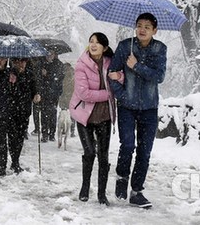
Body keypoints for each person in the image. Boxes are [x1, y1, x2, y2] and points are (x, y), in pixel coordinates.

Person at [107, 12, 167, 209]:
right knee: (128, 145)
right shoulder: (125, 46)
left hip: (149, 108)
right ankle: (122, 177)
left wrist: (136, 66)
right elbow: (111, 74)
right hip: (127, 106)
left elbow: (159, 77)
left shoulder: (160, 49)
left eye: (147, 27)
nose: (142, 29)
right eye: (139, 25)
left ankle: (137, 191)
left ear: (154, 31)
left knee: (145, 151)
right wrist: (121, 96)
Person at [70, 32, 115, 205]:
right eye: (91, 42)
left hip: (104, 115)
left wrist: (118, 77)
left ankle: (102, 194)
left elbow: (120, 81)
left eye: (97, 42)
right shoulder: (81, 64)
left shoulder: (111, 63)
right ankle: (85, 187)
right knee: (89, 152)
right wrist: (108, 94)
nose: (93, 45)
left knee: (103, 156)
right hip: (84, 116)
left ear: (104, 47)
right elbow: (84, 93)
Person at [6, 57, 40, 173]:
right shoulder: (9, 74)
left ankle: (16, 160)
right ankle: (14, 162)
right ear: (14, 62)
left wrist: (36, 96)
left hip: (25, 110)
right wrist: (11, 84)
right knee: (12, 137)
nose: (20, 64)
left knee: (20, 137)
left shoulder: (30, 74)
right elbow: (5, 92)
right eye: (17, 62)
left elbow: (34, 90)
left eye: (23, 62)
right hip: (11, 110)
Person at [37, 50, 64, 142]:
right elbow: (37, 78)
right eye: (47, 54)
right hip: (44, 93)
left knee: (52, 113)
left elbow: (59, 78)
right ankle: (44, 133)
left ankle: (52, 133)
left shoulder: (59, 64)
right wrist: (41, 74)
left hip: (54, 93)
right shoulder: (41, 64)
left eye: (51, 53)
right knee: (44, 113)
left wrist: (47, 74)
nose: (49, 56)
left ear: (54, 54)